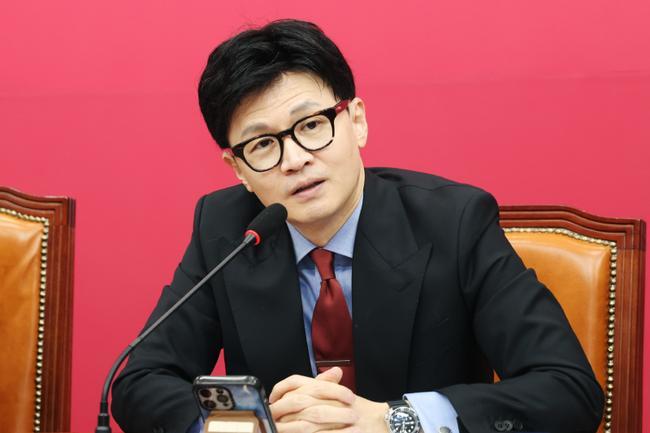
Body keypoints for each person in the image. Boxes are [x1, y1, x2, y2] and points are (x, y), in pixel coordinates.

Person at [111, 19, 604, 433]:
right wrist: (251, 426)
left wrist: (394, 420)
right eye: (262, 145)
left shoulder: (454, 221)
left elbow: (567, 390)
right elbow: (139, 385)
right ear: (237, 169)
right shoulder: (226, 231)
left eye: (311, 125)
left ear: (357, 121)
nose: (295, 160)